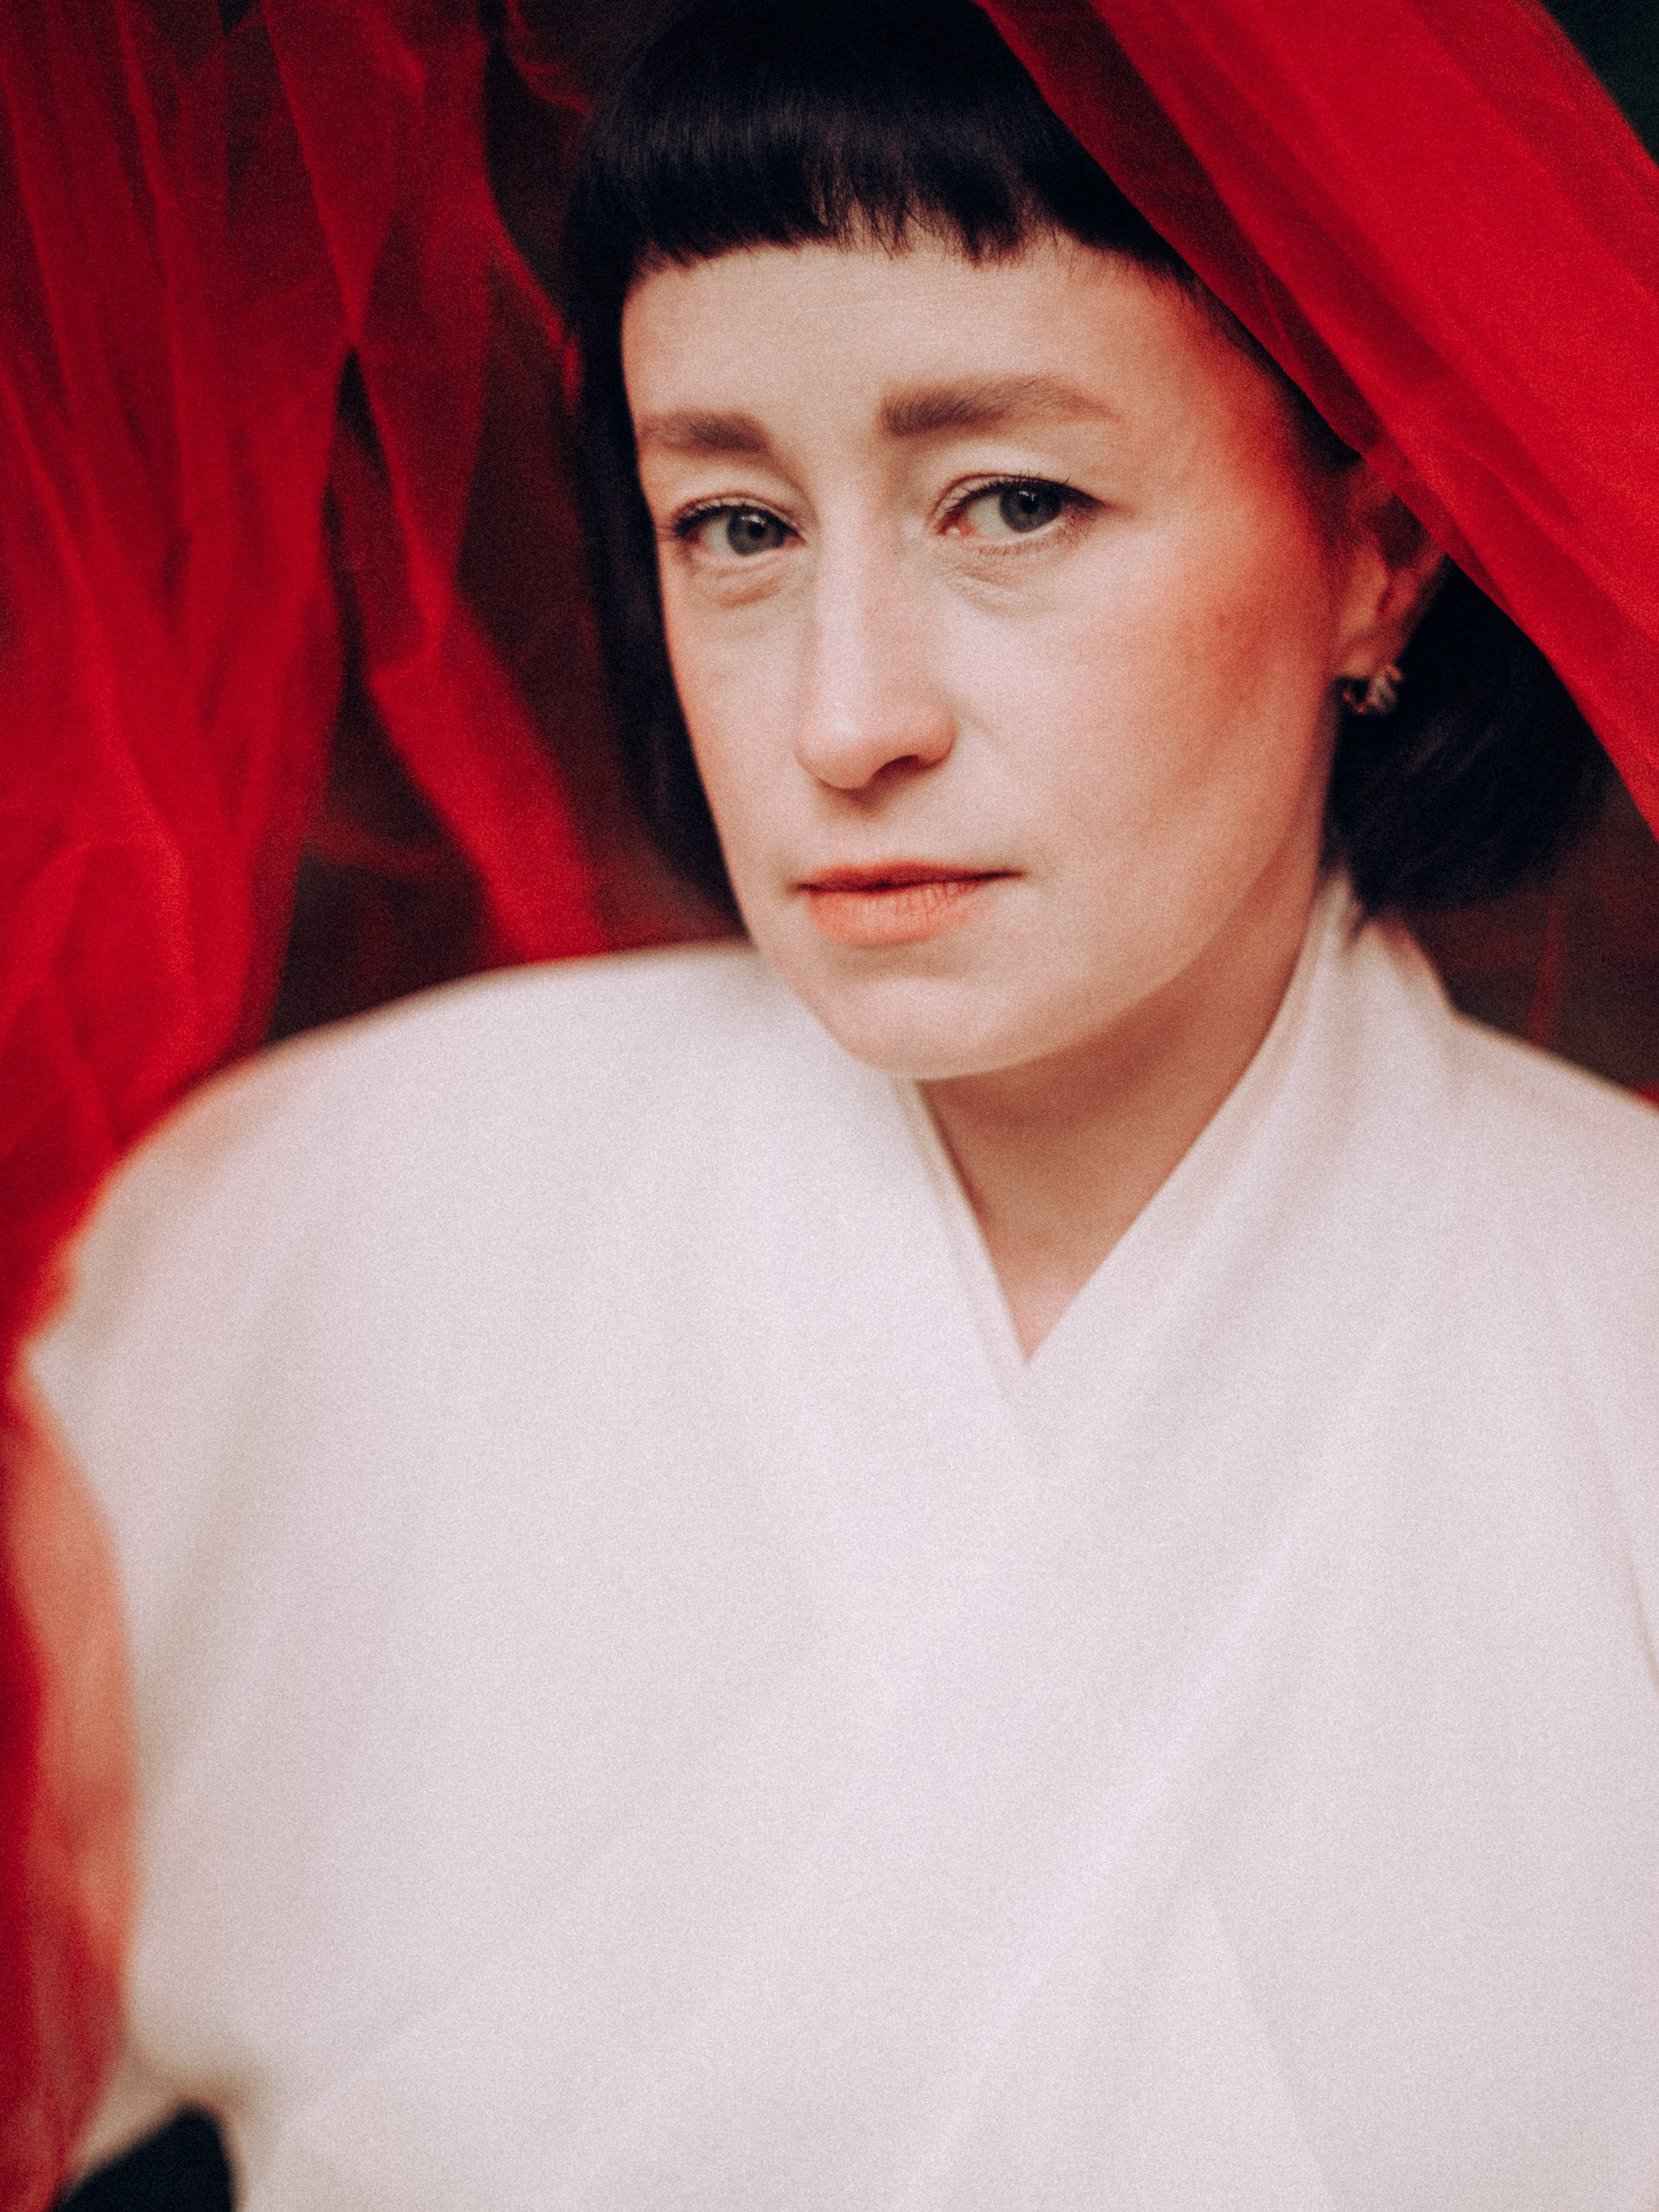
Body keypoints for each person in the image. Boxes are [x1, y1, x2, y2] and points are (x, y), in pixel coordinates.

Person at [28, 0, 1659, 2204]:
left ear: (1381, 548)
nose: (842, 713)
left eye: (1013, 502)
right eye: (733, 524)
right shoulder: (308, 1232)